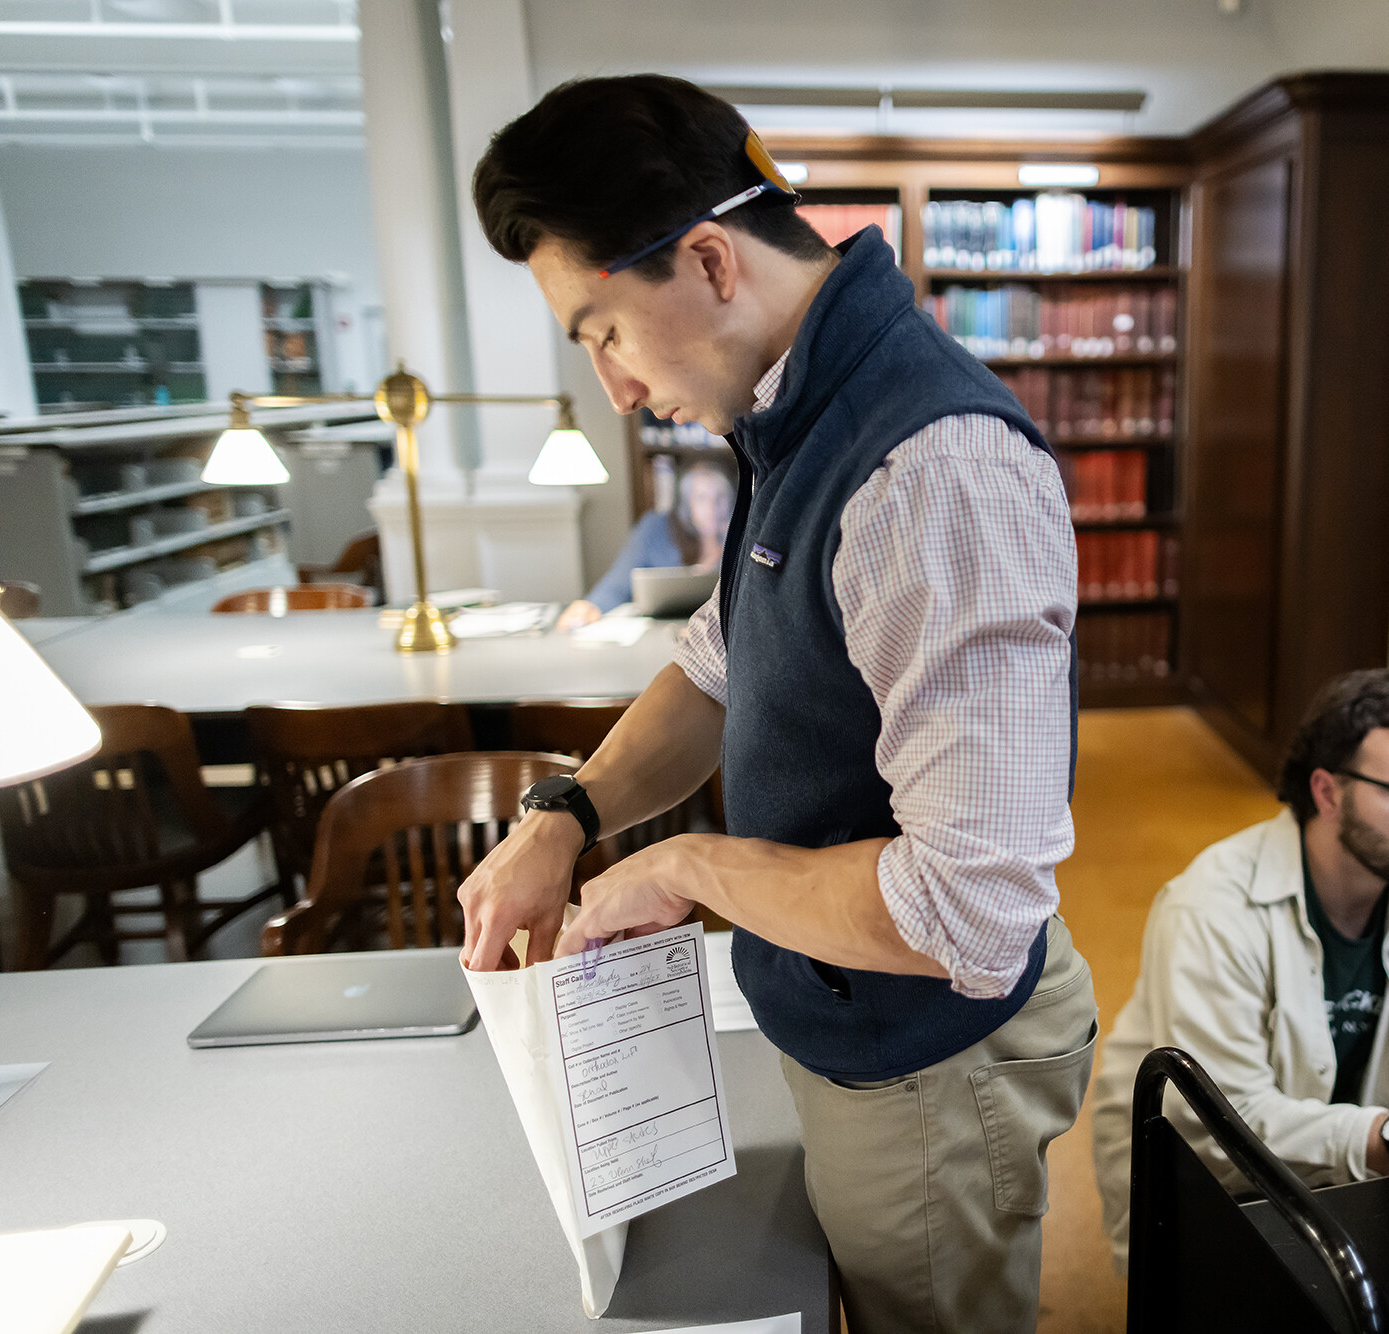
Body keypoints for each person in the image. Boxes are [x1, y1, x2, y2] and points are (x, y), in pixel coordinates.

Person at [460, 75, 1095, 1334]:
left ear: (708, 261)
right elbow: (720, 659)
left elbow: (968, 908)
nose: (615, 388)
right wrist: (566, 813)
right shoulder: (793, 412)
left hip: (925, 1056)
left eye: (603, 331)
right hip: (847, 1010)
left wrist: (684, 863)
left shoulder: (930, 472)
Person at [1090, 669, 1389, 1271]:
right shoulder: (1212, 908)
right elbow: (1225, 1128)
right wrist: (1383, 1142)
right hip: (1212, 1186)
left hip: (1355, 1172)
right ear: (1327, 792)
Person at [557, 462, 734, 629]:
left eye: (720, 498)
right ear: (686, 503)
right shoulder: (655, 528)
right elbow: (618, 583)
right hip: (663, 631)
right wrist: (591, 606)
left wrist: (726, 541)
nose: (712, 508)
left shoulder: (740, 537)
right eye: (701, 498)